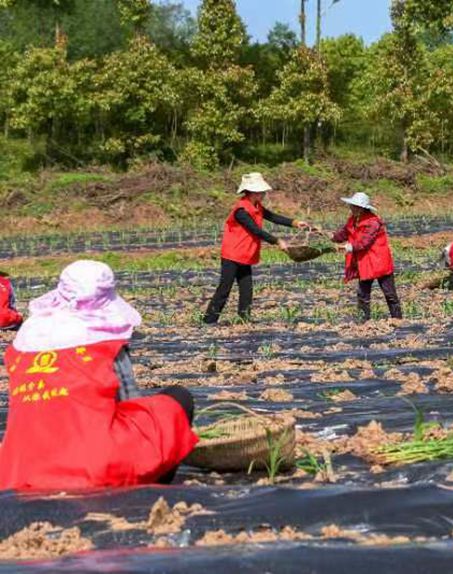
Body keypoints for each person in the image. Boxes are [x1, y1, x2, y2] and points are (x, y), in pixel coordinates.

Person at [0, 260, 198, 490]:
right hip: (92, 467)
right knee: (177, 399)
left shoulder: (27, 340)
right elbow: (130, 401)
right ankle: (153, 478)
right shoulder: (103, 340)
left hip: (18, 468)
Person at [204, 173, 309, 324]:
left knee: (247, 290)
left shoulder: (257, 206)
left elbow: (273, 217)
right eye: (261, 192)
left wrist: (295, 222)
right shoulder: (241, 210)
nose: (264, 194)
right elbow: (256, 230)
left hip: (245, 254)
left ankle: (244, 320)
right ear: (252, 192)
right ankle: (209, 321)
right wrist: (277, 241)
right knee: (224, 288)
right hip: (232, 254)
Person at [332, 192, 403, 322]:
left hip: (379, 261)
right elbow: (342, 234)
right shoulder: (352, 220)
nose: (352, 208)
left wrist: (347, 247)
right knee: (363, 294)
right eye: (352, 206)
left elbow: (364, 242)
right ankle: (363, 321)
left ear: (362, 208)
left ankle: (397, 319)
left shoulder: (373, 222)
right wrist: (329, 235)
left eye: (355, 206)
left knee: (389, 294)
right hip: (364, 262)